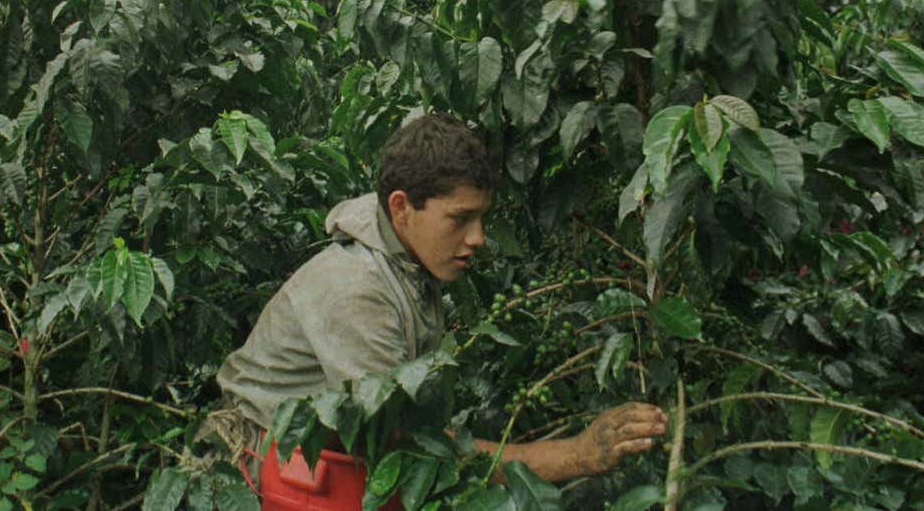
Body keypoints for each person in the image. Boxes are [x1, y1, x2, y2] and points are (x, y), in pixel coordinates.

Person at [210, 112, 667, 489]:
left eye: (481, 218)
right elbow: (407, 449)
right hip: (253, 472)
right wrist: (576, 454)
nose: (478, 238)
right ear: (400, 208)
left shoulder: (409, 259)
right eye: (460, 219)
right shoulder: (355, 290)